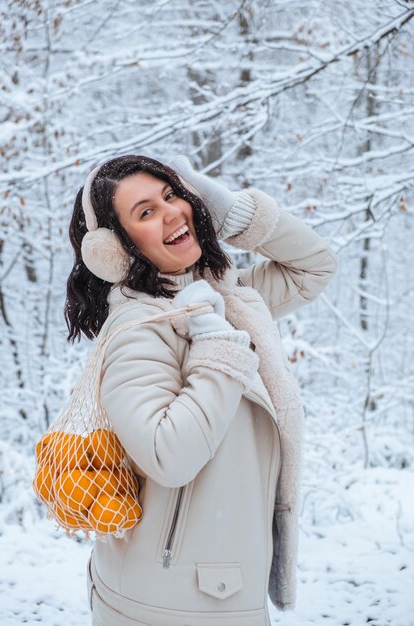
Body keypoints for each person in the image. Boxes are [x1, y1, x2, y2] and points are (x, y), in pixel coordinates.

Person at [65, 154, 337, 626]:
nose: (171, 212)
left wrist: (231, 212)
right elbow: (168, 454)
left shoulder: (222, 300)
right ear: (116, 249)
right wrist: (216, 343)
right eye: (146, 212)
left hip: (212, 592)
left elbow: (314, 266)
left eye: (173, 195)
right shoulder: (140, 326)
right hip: (169, 605)